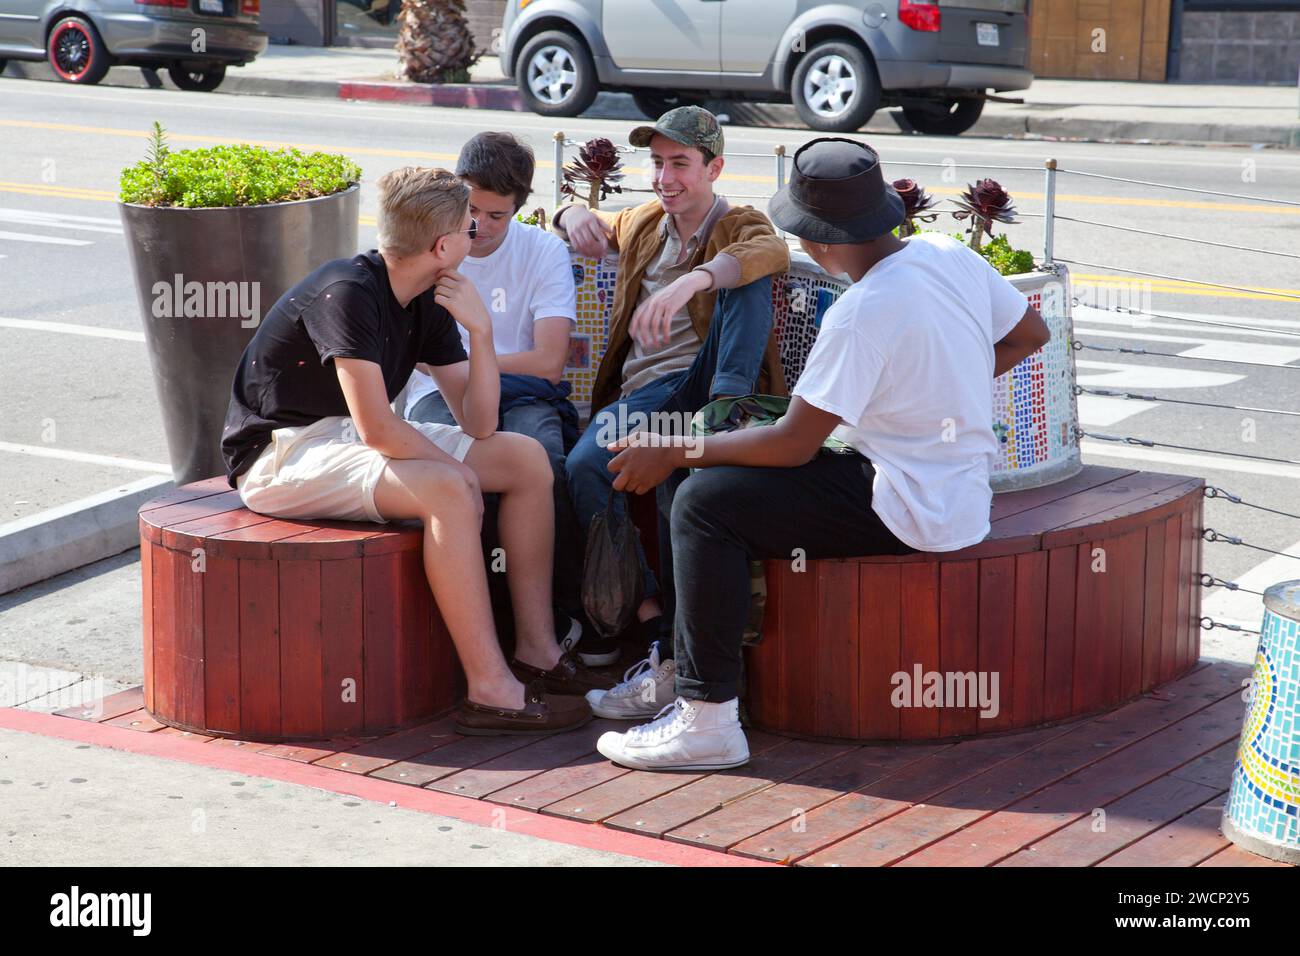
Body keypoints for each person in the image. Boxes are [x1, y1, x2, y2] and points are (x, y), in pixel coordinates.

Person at [593, 137, 1053, 770]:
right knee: (705, 464)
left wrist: (672, 451)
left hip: (907, 503)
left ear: (827, 241)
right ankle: (682, 669)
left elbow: (792, 445)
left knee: (703, 502)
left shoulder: (863, 311)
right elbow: (1032, 333)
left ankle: (707, 721)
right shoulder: (945, 254)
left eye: (804, 233)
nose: (801, 245)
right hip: (958, 487)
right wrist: (944, 385)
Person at [221, 166, 610, 738]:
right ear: (443, 245)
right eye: (468, 229)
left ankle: (538, 650)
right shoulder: (348, 292)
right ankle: (491, 690)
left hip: (349, 440)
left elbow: (477, 422)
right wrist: (454, 473)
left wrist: (479, 332)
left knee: (526, 460)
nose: (476, 236)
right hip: (283, 453)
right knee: (451, 488)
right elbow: (379, 428)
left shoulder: (430, 296)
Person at [552, 105, 789, 695]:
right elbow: (570, 218)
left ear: (714, 168)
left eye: (680, 163)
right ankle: (649, 615)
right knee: (585, 465)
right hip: (646, 394)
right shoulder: (644, 221)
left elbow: (771, 250)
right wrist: (570, 209)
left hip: (704, 382)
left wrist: (696, 277)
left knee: (743, 276)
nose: (666, 177)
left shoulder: (736, 223)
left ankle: (725, 414)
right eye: (658, 163)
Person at [401, 132, 589, 657]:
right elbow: (415, 357)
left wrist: (472, 361)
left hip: (523, 392)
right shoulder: (433, 245)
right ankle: (484, 619)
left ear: (520, 209)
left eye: (497, 216)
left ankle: (549, 613)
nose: (479, 226)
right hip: (440, 391)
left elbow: (549, 362)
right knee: (459, 473)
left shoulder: (542, 250)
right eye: (471, 209)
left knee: (546, 460)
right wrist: (461, 369)